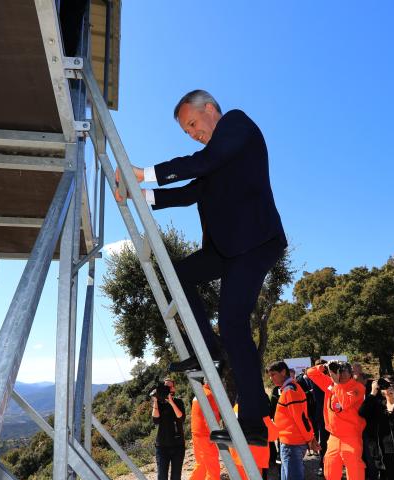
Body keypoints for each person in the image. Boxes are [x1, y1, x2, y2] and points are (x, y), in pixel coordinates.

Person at [117, 90, 287, 448]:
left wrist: (143, 173)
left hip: (255, 243)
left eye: (193, 123)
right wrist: (138, 193)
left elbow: (202, 162)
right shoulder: (214, 160)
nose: (193, 132)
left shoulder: (237, 125)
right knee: (180, 274)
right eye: (187, 131)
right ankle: (208, 348)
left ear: (210, 109)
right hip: (226, 249)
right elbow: (189, 192)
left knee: (234, 324)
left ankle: (253, 422)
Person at [267, 361, 321, 480]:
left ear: (283, 372)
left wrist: (310, 438)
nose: (271, 378)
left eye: (274, 374)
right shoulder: (289, 388)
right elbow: (301, 417)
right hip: (288, 442)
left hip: (292, 444)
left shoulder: (290, 390)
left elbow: (301, 418)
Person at [320, 361, 372, 480]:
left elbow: (343, 404)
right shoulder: (332, 384)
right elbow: (311, 374)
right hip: (334, 438)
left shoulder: (357, 388)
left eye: (343, 371)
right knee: (331, 477)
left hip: (351, 438)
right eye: (337, 371)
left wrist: (335, 383)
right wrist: (325, 367)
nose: (340, 374)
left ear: (351, 373)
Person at [184, 383, 229, 480]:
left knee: (201, 464)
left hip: (197, 434)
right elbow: (214, 417)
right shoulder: (210, 395)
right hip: (205, 435)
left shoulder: (200, 392)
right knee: (213, 468)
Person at [151, 378, 186, 480]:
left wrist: (171, 401)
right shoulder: (158, 403)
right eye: (165, 387)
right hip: (162, 447)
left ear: (174, 389)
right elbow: (155, 420)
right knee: (162, 479)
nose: (168, 390)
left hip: (178, 447)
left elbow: (180, 417)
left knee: (175, 479)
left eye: (170, 387)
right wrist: (155, 401)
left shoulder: (178, 402)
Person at [305, 360, 333, 476]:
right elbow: (309, 372)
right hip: (323, 416)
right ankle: (324, 465)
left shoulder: (331, 380)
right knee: (325, 442)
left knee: (327, 442)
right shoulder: (321, 381)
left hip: (330, 416)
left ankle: (326, 465)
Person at [356, 372, 381, 480]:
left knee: (370, 459)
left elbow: (365, 411)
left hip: (369, 430)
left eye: (357, 378)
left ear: (364, 379)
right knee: (360, 458)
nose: (354, 380)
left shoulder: (373, 391)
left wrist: (372, 393)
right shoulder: (353, 390)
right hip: (356, 430)